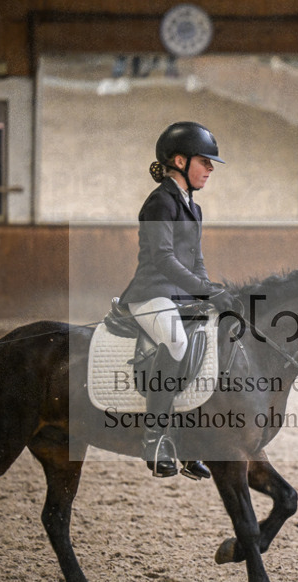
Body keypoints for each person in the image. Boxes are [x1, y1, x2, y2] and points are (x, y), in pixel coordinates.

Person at [118, 121, 241, 479]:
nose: (211, 169)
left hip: (180, 294)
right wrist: (202, 290)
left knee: (209, 343)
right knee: (175, 341)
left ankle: (187, 442)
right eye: (205, 161)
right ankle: (155, 437)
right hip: (151, 293)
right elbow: (163, 258)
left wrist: (211, 288)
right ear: (179, 161)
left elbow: (195, 258)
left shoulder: (193, 207)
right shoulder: (160, 202)